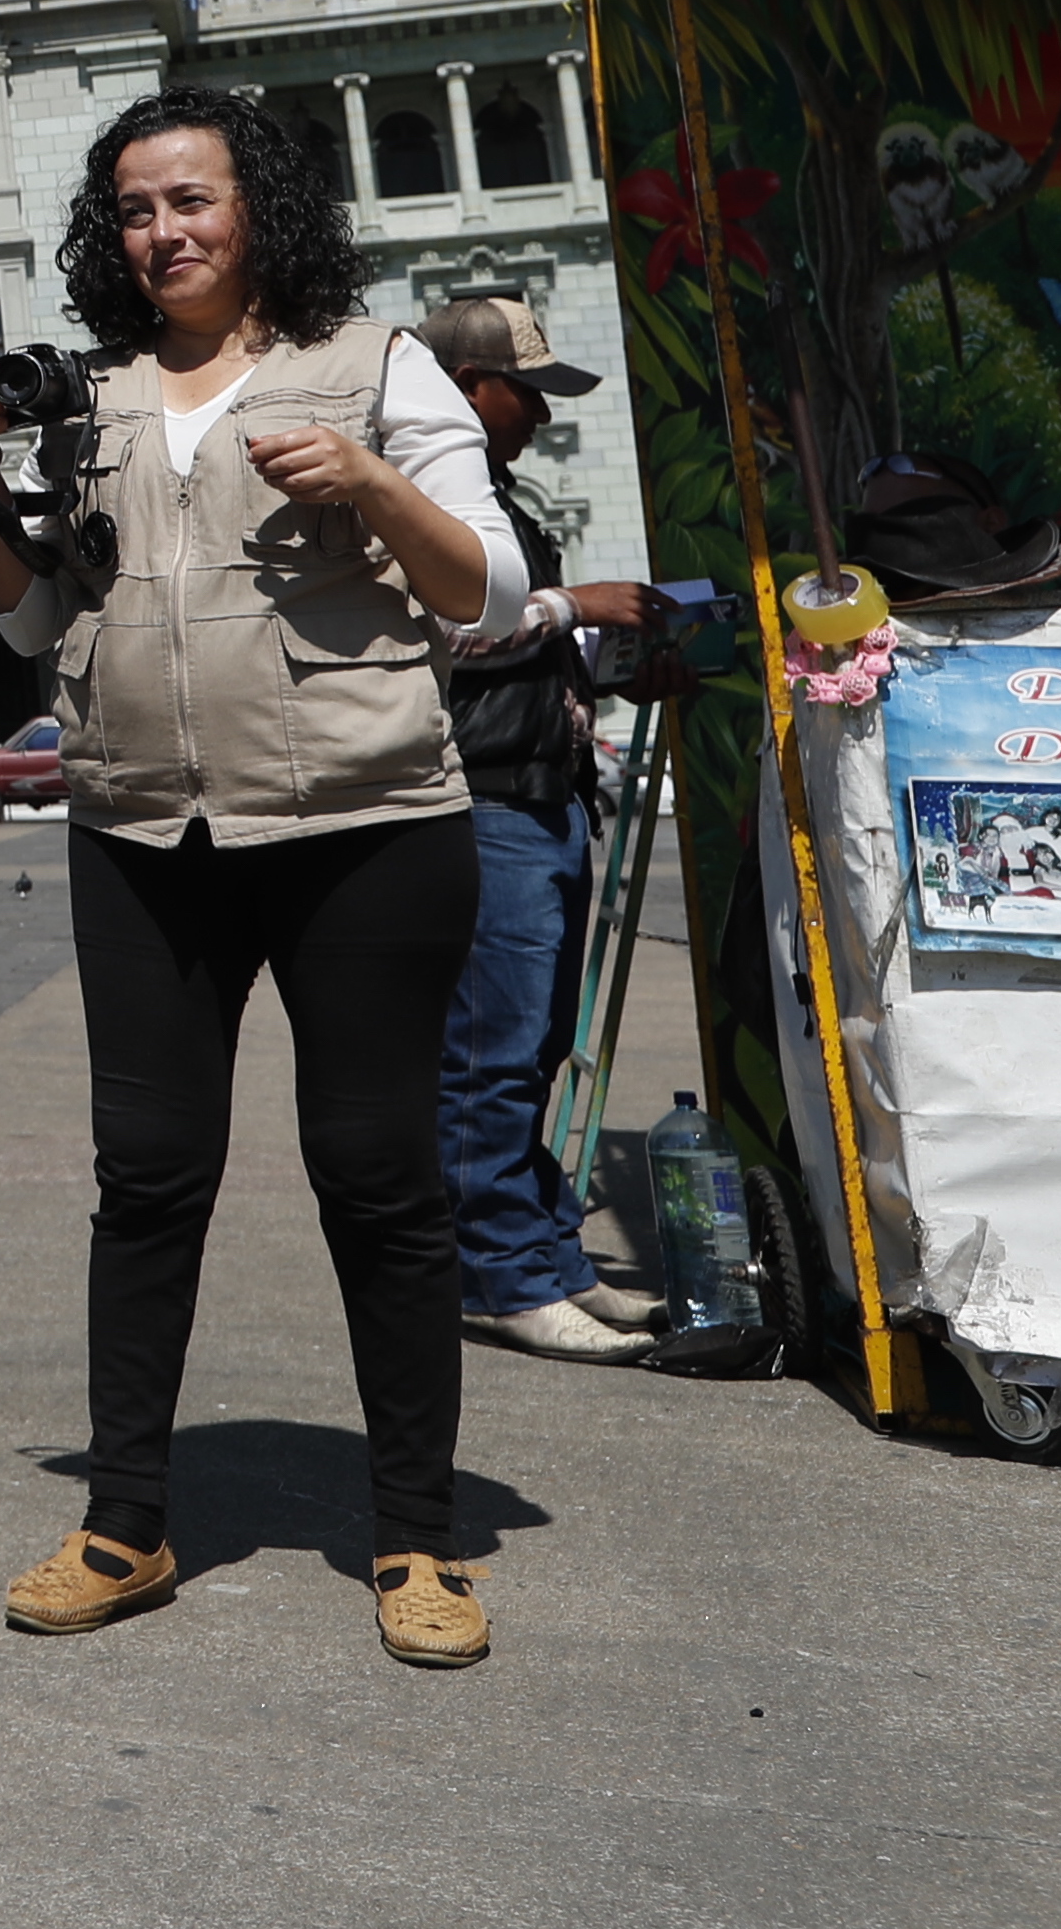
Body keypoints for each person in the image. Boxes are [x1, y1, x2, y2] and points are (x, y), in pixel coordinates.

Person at [0, 83, 526, 1673]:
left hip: (362, 825)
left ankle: (414, 1533)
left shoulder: (376, 364)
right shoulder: (94, 395)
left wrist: (368, 480)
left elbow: (485, 591)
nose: (162, 234)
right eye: (134, 210)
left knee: (376, 1177)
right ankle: (122, 1523)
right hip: (141, 831)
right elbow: (19, 621)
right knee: (142, 1180)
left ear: (256, 206)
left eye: (189, 201)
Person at [421, 290, 682, 1367]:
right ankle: (500, 1274)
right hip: (483, 800)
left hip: (544, 791)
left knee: (530, 1046)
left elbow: (522, 648)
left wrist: (612, 659)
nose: (537, 412)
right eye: (522, 390)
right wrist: (579, 607)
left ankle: (543, 1250)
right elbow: (442, 636)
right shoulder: (422, 494)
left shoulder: (502, 497)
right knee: (491, 1050)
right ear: (465, 389)